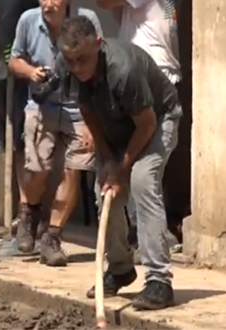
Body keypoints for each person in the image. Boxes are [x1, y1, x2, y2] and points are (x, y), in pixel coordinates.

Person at [58, 16, 181, 310]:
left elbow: (147, 123)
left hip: (157, 119)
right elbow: (86, 110)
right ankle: (120, 268)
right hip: (115, 127)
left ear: (98, 45)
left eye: (83, 59)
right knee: (106, 191)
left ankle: (159, 280)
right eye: (71, 61)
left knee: (141, 181)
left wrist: (123, 168)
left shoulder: (124, 69)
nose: (77, 68)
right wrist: (109, 161)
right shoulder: (69, 66)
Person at [7, 0, 101, 266]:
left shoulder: (88, 19)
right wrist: (32, 72)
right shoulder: (27, 20)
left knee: (73, 170)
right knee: (37, 168)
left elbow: (99, 60)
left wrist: (95, 117)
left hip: (78, 108)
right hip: (41, 105)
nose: (48, 4)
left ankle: (53, 237)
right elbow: (14, 61)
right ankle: (29, 213)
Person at [96, 0, 186, 257]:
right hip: (152, 75)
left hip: (149, 78)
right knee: (145, 169)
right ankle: (148, 237)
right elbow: (114, 12)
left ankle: (153, 240)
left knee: (141, 170)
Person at [0, 0, 39, 239]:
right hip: (9, 76)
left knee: (34, 144)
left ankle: (35, 215)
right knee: (14, 145)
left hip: (34, 74)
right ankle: (22, 214)